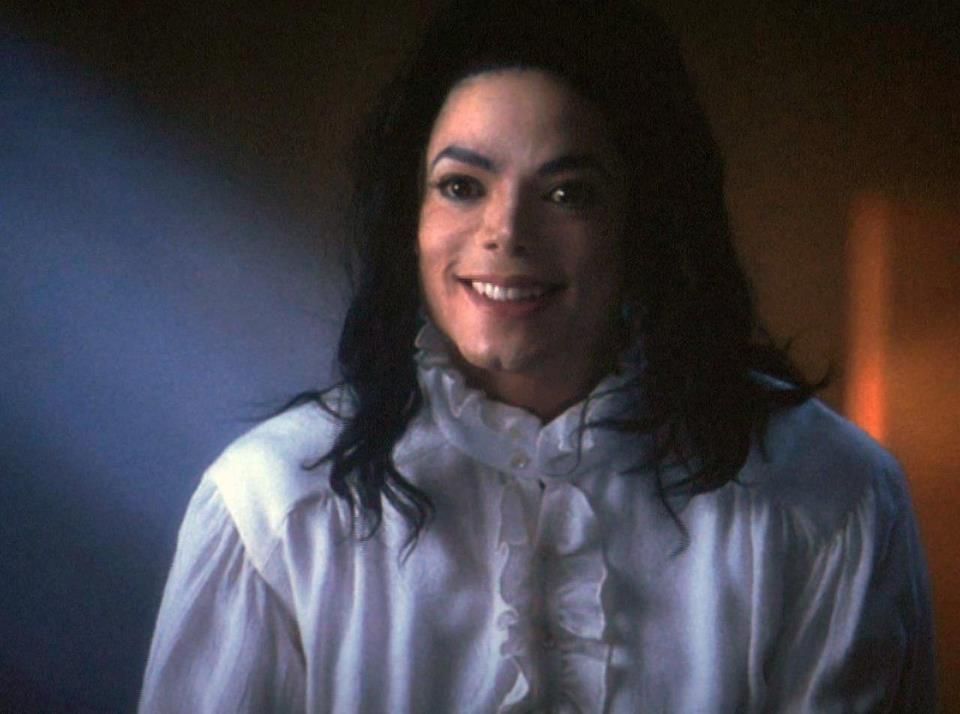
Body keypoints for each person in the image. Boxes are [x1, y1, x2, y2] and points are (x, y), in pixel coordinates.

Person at [139, 1, 936, 711]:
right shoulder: (274, 508)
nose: (506, 233)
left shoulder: (828, 498)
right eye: (461, 185)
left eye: (567, 193)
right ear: (409, 217)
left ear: (645, 220)